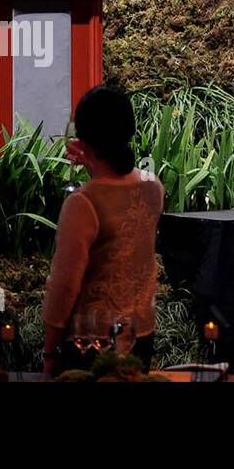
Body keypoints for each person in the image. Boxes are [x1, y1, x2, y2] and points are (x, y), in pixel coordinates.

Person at [42, 86, 163, 375]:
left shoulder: (83, 203)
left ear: (84, 139)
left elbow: (65, 285)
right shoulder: (153, 187)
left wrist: (49, 350)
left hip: (90, 344)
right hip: (141, 335)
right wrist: (93, 160)